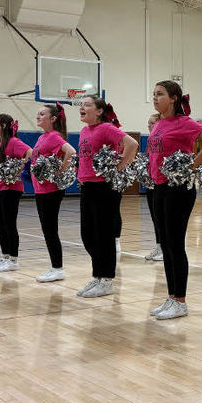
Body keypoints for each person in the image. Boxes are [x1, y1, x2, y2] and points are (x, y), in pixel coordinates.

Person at [147, 81, 202, 320]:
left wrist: (193, 164)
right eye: (154, 94)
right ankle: (171, 297)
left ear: (174, 98)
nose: (155, 98)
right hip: (159, 186)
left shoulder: (184, 122)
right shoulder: (159, 123)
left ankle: (180, 300)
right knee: (166, 244)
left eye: (160, 94)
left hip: (178, 189)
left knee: (175, 244)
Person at [76, 95, 139, 298]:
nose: (82, 108)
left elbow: (132, 144)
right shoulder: (85, 131)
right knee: (88, 235)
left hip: (104, 187)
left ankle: (106, 279)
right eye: (81, 105)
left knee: (103, 235)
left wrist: (119, 167)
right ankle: (98, 275)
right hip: (87, 186)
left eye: (87, 105)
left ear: (100, 111)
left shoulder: (106, 128)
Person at [31, 104, 77, 283]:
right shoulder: (43, 136)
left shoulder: (54, 136)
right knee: (47, 229)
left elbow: (71, 152)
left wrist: (60, 171)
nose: (38, 116)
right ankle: (55, 267)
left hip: (50, 190)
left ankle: (57, 269)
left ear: (53, 119)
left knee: (50, 230)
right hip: (40, 189)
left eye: (42, 114)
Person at [0, 114, 32, 272]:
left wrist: (18, 170)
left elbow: (29, 152)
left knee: (9, 224)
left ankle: (13, 260)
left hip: (11, 189)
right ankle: (5, 257)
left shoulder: (13, 142)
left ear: (4, 125)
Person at [143, 113, 164, 262]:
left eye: (152, 123)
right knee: (155, 217)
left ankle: (165, 247)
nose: (149, 126)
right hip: (150, 183)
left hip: (161, 183)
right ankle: (159, 245)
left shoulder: (162, 140)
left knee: (162, 218)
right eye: (148, 123)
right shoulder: (150, 142)